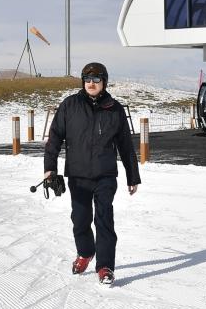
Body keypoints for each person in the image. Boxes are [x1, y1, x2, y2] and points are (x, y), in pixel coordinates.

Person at [44, 62, 141, 286]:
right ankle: (86, 252)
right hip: (77, 175)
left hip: (105, 175)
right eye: (87, 80)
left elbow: (126, 146)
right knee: (80, 219)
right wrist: (50, 168)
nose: (91, 84)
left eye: (96, 80)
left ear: (104, 82)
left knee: (104, 219)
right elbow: (55, 137)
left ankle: (105, 266)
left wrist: (132, 176)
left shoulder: (114, 109)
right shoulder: (70, 105)